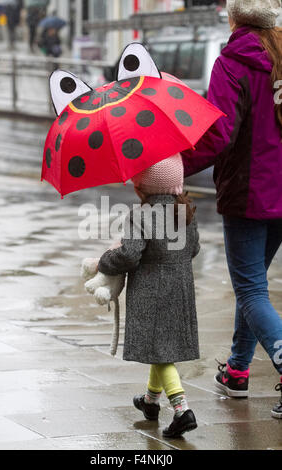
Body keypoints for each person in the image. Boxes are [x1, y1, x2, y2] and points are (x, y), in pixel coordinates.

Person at [181, 0, 282, 419]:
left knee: (252, 289)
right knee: (252, 283)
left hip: (249, 192)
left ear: (234, 16)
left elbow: (218, 134)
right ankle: (238, 371)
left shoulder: (232, 62)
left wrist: (173, 167)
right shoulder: (279, 55)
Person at [98, 154, 201, 438]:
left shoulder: (141, 215)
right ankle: (150, 402)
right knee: (163, 345)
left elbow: (130, 255)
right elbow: (193, 249)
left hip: (151, 292)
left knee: (161, 351)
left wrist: (104, 260)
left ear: (140, 187)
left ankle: (181, 410)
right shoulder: (187, 212)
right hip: (179, 289)